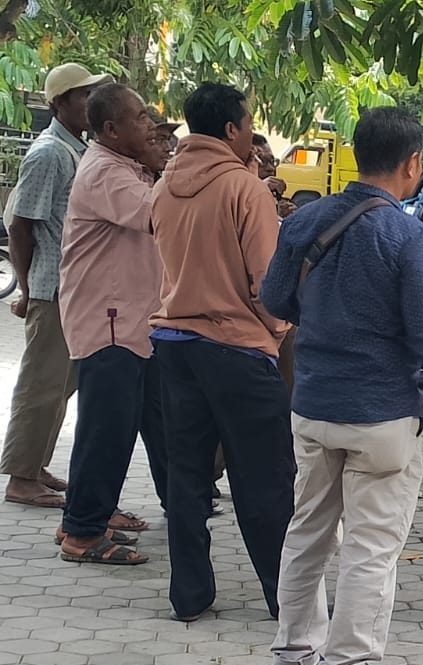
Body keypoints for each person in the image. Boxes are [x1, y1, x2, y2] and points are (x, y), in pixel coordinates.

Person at [261, 106, 423, 665]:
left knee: (307, 531)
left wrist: (327, 321)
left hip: (313, 404)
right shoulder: (408, 237)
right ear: (413, 163)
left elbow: (274, 298)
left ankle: (292, 661)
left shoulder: (306, 219)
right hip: (381, 414)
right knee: (371, 547)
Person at [149, 82, 292, 622]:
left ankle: (189, 595)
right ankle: (287, 600)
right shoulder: (244, 189)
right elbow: (266, 282)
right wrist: (278, 330)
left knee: (187, 476)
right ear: (231, 130)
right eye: (249, 124)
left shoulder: (162, 187)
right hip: (237, 348)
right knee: (265, 479)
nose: (252, 134)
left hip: (175, 345)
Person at [52, 84, 168, 566]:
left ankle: (82, 517)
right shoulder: (106, 172)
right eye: (140, 118)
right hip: (111, 321)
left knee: (118, 425)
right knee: (107, 430)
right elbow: (160, 215)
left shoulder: (124, 167)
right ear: (111, 130)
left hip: (128, 320)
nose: (151, 126)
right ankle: (83, 533)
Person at [0, 63, 110, 511]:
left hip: (73, 288)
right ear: (60, 102)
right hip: (52, 287)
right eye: (84, 95)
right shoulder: (49, 153)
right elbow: (20, 225)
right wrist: (27, 289)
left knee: (60, 386)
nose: (91, 103)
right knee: (41, 385)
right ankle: (21, 477)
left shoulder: (75, 149)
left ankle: (36, 465)